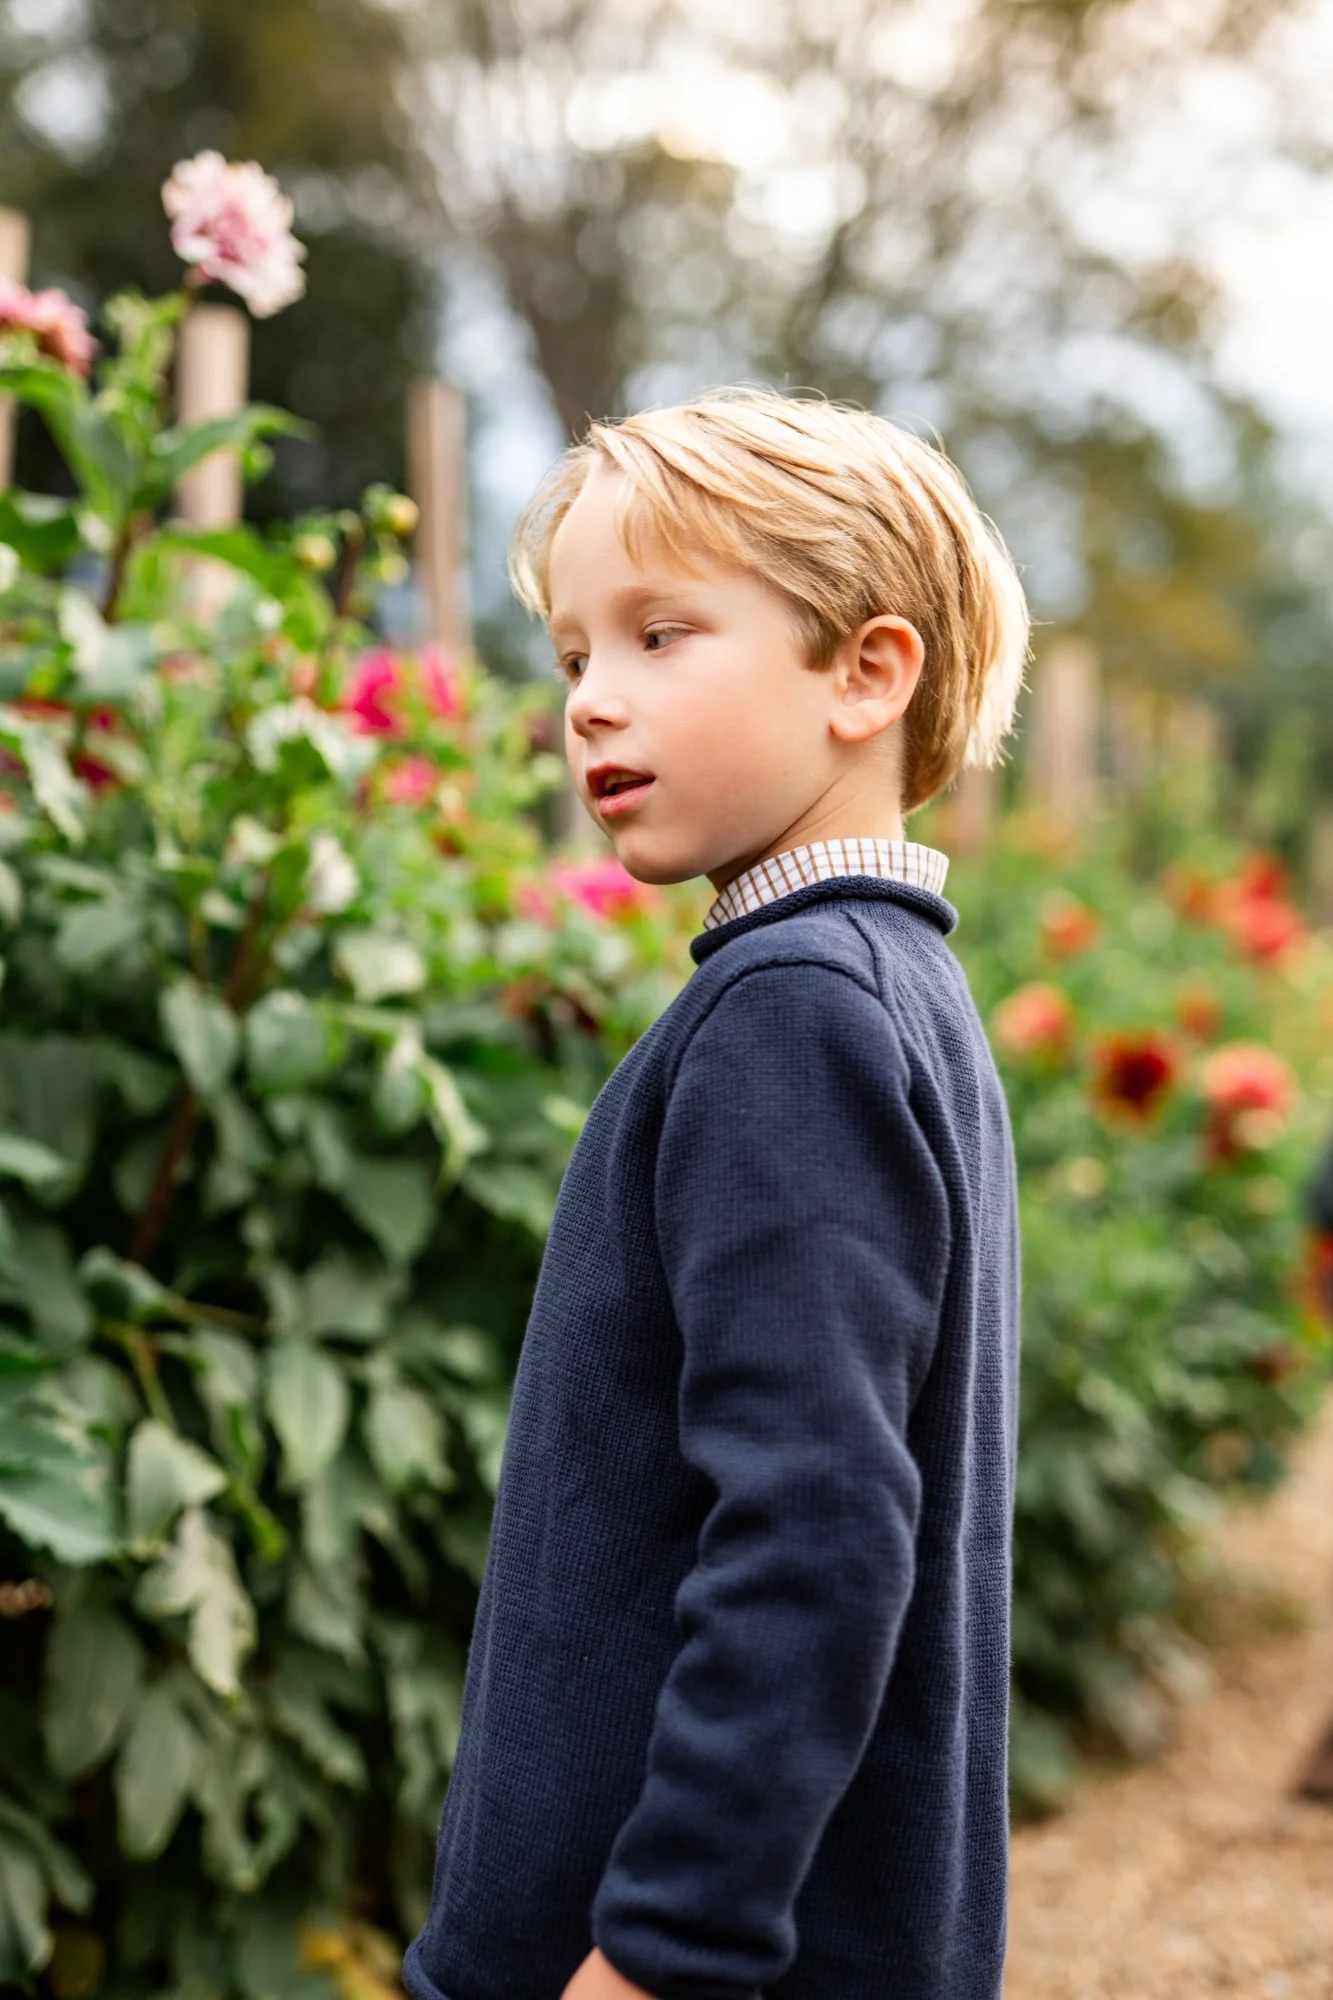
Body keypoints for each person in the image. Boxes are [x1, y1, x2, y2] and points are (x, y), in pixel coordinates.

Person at [403, 388, 1029, 2000]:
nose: (593, 702)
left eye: (662, 635)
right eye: (573, 657)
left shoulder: (790, 1014)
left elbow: (818, 1530)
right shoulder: (898, 994)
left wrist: (665, 1948)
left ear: (866, 674)